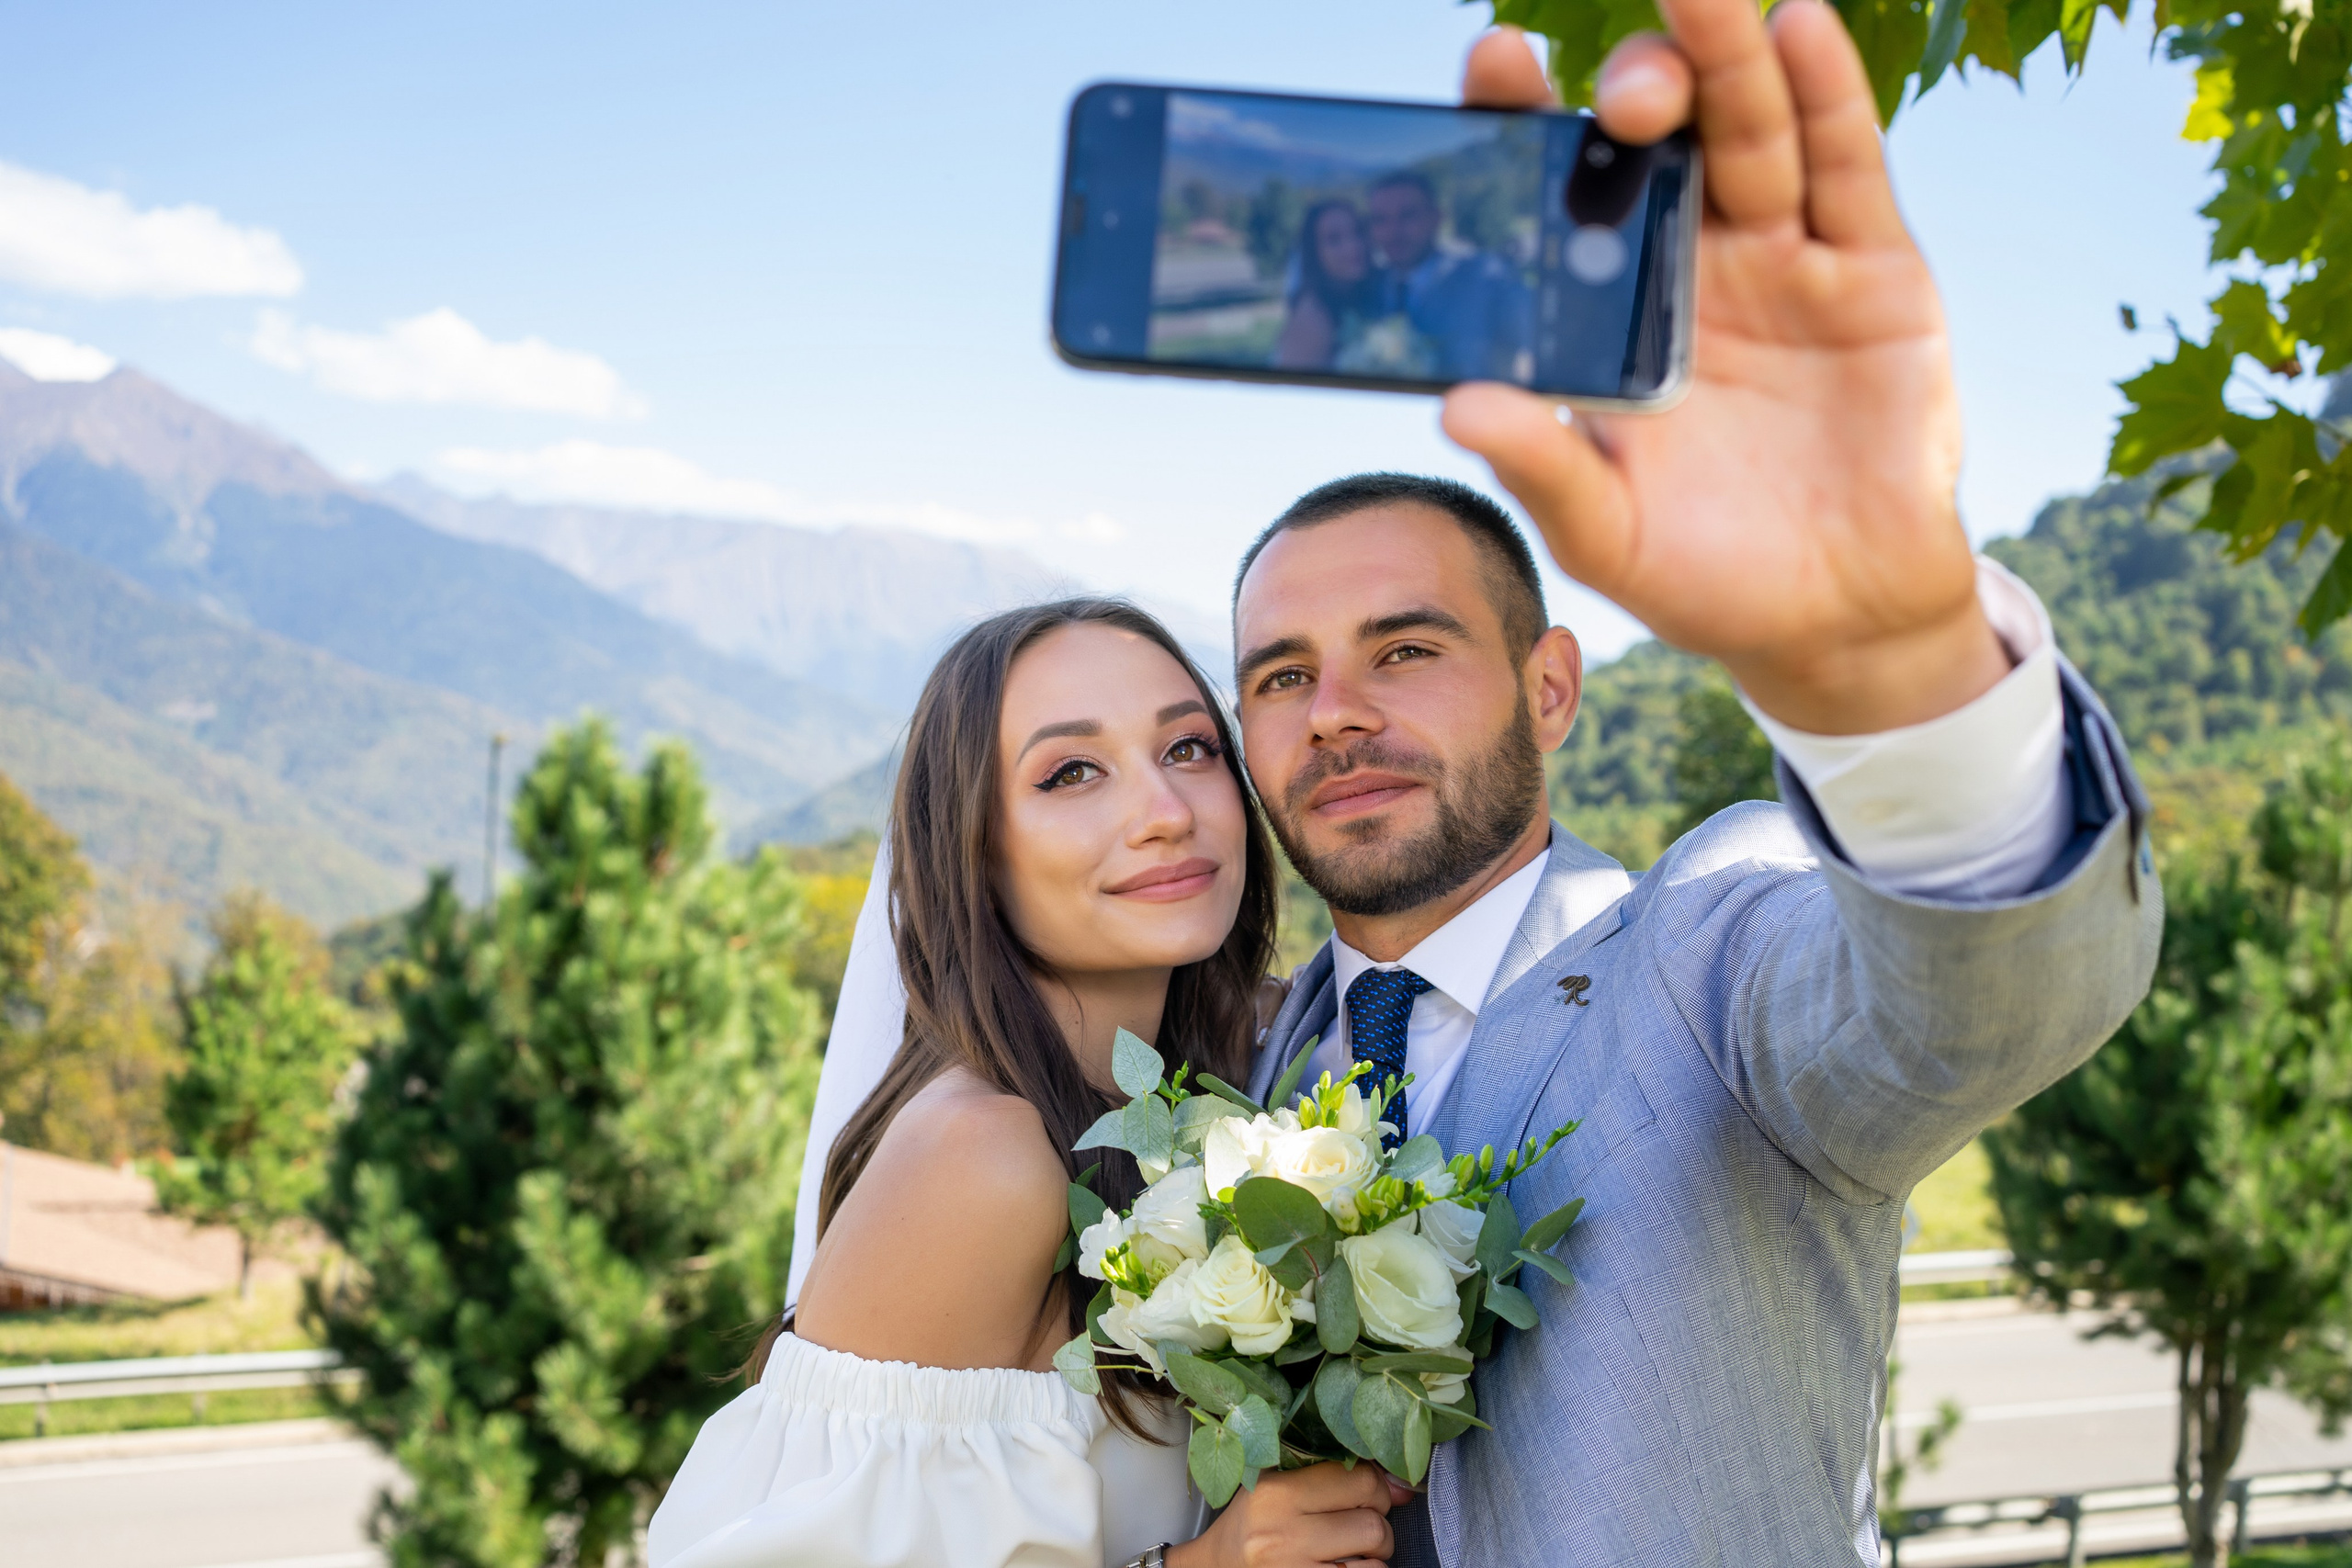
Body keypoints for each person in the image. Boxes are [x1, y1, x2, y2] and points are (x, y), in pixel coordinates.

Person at [1224, 11, 2164, 1565]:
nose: (1335, 713)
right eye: (1279, 675)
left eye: (1407, 649)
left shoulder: (1707, 952)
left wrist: (1889, 664)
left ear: (1551, 686)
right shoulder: (1252, 1061)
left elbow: (1981, 1009)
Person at [648, 600, 1406, 1568]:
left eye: (1188, 749)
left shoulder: (1244, 1078)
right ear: (972, 847)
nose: (1168, 813)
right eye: (1071, 772)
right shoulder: (981, 1155)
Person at [1362, 170, 1532, 383]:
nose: (1393, 231)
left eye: (1407, 215)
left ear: (1436, 218)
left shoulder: (1488, 280)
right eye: (1380, 220)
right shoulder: (1364, 287)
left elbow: (1537, 347)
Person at [1270, 199, 1430, 378]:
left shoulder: (1373, 292)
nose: (1353, 246)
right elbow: (1295, 388)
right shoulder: (1312, 316)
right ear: (1315, 252)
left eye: (1357, 232)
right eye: (1334, 239)